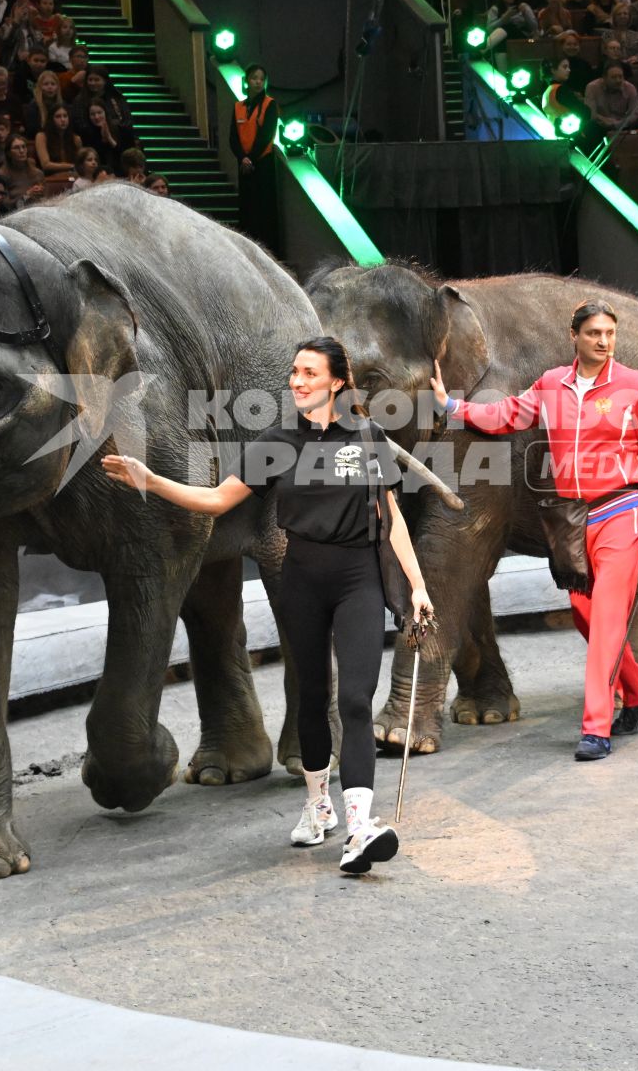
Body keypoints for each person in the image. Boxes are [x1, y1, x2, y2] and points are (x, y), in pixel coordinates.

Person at [103, 337, 430, 873]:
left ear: (337, 381)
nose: (298, 381)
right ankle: (317, 802)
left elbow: (391, 520)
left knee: (354, 698)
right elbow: (215, 501)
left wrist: (416, 586)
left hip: (358, 580)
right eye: (294, 373)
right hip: (302, 579)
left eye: (308, 372)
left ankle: (359, 829)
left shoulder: (369, 437)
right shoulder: (276, 442)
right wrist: (154, 480)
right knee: (313, 699)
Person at [429, 300, 638, 759]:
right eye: (594, 333)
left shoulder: (636, 386)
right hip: (572, 520)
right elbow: (506, 416)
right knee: (584, 614)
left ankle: (596, 728)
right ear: (574, 336)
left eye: (610, 333)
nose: (604, 341)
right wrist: (451, 407)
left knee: (605, 621)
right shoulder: (551, 385)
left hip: (624, 511)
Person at [230, 64, 280, 253]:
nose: (258, 82)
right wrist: (242, 158)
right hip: (244, 165)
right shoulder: (238, 107)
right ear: (247, 81)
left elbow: (266, 135)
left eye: (261, 78)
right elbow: (232, 137)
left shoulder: (270, 104)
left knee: (264, 209)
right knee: (247, 208)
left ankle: (268, 250)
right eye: (254, 78)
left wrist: (250, 158)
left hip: (263, 163)